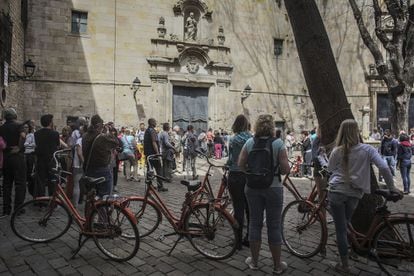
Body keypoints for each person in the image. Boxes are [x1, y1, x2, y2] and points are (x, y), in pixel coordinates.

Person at [327, 119, 400, 274]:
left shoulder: (337, 150)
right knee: (346, 223)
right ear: (357, 131)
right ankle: (352, 250)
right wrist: (392, 187)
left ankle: (345, 265)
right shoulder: (367, 149)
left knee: (340, 228)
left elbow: (330, 168)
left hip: (337, 192)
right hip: (355, 194)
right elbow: (384, 167)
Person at [238, 114, 290, 274]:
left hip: (252, 187)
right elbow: (286, 169)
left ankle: (254, 262)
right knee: (274, 225)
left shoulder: (249, 142)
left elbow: (240, 165)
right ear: (272, 127)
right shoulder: (278, 143)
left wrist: (253, 174)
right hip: (273, 187)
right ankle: (277, 266)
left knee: (254, 223)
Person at [226, 114, 252, 250]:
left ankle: (237, 241)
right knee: (250, 209)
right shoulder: (252, 139)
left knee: (238, 208)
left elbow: (230, 159)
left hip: (235, 175)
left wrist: (228, 164)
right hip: (248, 176)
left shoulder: (233, 139)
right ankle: (249, 237)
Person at [82, 115, 119, 197]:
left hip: (88, 169)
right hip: (101, 169)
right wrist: (108, 131)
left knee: (91, 196)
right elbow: (116, 142)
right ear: (99, 125)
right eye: (102, 125)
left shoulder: (84, 136)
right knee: (104, 197)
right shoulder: (102, 137)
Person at [0, 108, 26, 217]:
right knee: (20, 183)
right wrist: (19, 147)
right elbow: (23, 136)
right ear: (15, 116)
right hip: (17, 157)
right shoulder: (19, 125)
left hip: (6, 157)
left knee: (7, 184)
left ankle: (6, 209)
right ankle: (18, 209)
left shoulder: (1, 127)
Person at [34, 114, 60, 197]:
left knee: (41, 181)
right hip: (51, 160)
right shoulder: (55, 133)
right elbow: (58, 146)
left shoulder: (37, 133)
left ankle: (41, 201)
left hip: (40, 159)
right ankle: (51, 200)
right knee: (52, 181)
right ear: (50, 122)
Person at [144, 118, 167, 191]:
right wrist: (157, 153)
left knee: (149, 170)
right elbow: (154, 142)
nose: (156, 122)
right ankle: (160, 186)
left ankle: (149, 186)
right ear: (152, 123)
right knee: (159, 169)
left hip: (148, 154)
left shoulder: (147, 131)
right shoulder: (152, 131)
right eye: (155, 121)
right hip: (153, 154)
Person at [72, 125, 85, 207]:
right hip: (85, 165)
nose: (79, 132)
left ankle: (75, 205)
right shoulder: (88, 139)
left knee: (76, 185)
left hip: (79, 165)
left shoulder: (80, 140)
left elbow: (79, 153)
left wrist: (83, 162)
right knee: (83, 184)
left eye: (81, 130)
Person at [23, 120, 36, 197]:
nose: (25, 129)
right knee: (27, 167)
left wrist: (27, 145)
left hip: (30, 153)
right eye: (24, 127)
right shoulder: (27, 135)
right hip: (26, 153)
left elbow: (33, 144)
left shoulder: (31, 135)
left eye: (27, 127)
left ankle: (29, 181)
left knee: (30, 167)